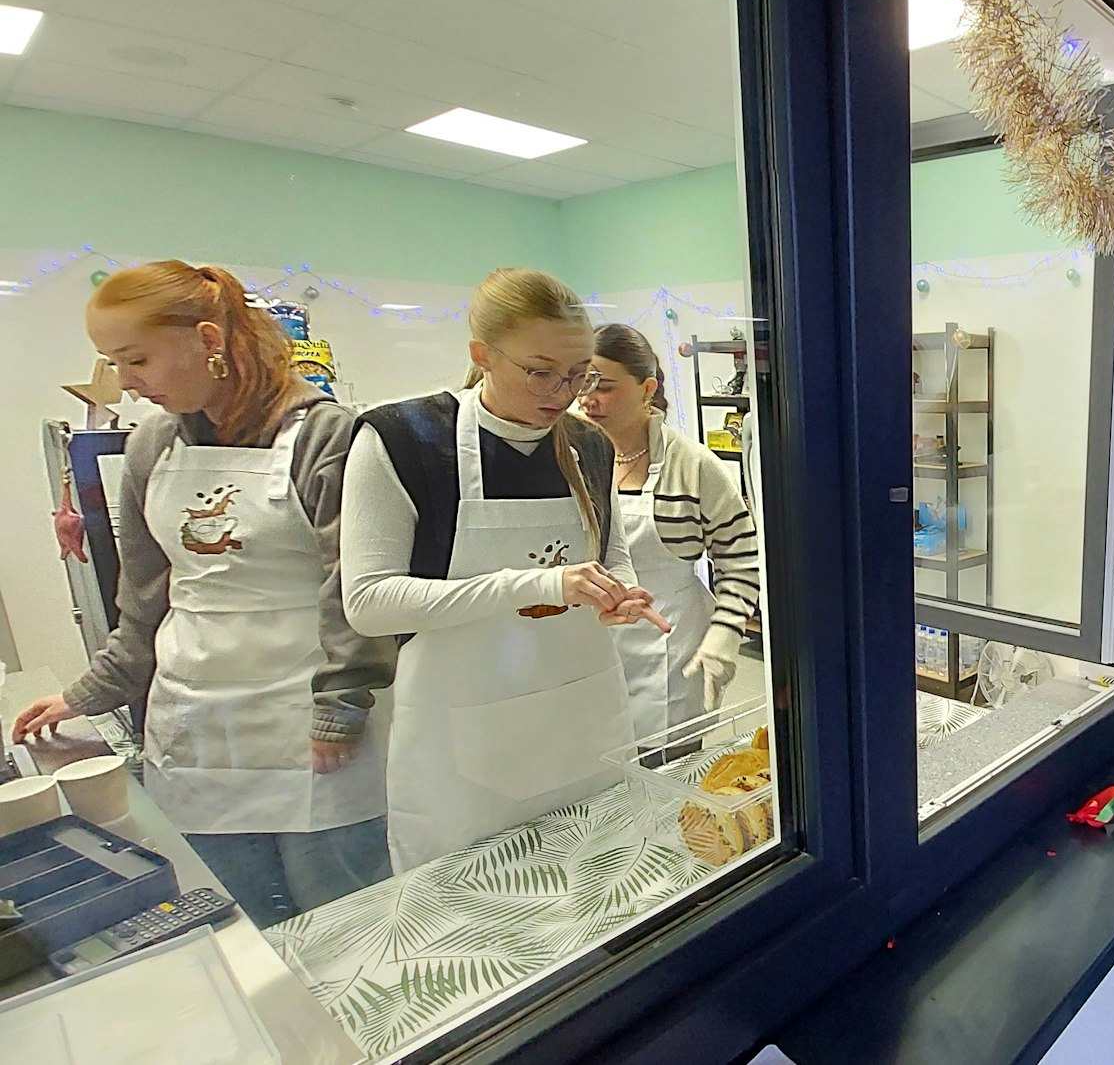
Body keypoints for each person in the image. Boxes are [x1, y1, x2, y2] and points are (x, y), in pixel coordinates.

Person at [11, 261, 392, 927]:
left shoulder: (324, 434)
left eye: (137, 359)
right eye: (112, 362)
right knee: (242, 921)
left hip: (311, 724)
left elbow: (352, 590)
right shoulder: (153, 445)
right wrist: (86, 693)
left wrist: (343, 705)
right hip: (198, 728)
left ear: (209, 340)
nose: (126, 383)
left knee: (345, 920)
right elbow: (144, 598)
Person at [341, 268, 654, 872]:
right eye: (540, 372)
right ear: (481, 354)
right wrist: (537, 584)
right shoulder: (404, 440)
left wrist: (619, 593)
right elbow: (370, 601)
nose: (562, 394)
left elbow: (611, 555)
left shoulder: (589, 446)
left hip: (579, 718)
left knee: (598, 880)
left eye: (577, 375)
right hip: (463, 740)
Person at [578, 324, 760, 746]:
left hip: (670, 645)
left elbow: (742, 559)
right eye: (581, 382)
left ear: (647, 388)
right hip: (589, 642)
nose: (588, 397)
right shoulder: (571, 455)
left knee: (667, 771)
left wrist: (725, 635)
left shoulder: (692, 464)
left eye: (603, 386)